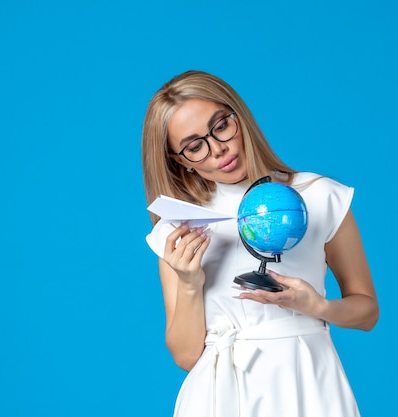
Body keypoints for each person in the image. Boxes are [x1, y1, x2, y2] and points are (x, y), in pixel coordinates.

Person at [141, 70, 379, 417]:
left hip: (306, 382)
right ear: (179, 162)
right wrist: (191, 283)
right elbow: (186, 356)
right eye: (194, 147)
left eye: (221, 126)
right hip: (216, 395)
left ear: (238, 116)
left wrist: (316, 306)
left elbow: (367, 312)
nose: (218, 149)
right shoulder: (181, 226)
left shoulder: (317, 196)